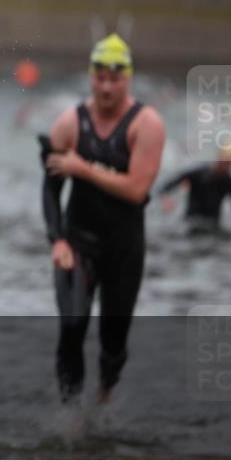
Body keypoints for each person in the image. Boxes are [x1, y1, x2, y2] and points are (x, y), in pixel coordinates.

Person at [40, 34, 165, 405]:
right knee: (72, 325)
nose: (107, 87)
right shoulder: (69, 124)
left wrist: (84, 168)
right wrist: (57, 240)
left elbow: (136, 190)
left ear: (127, 79)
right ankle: (71, 419)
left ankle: (104, 393)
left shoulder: (146, 124)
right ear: (91, 77)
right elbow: (50, 189)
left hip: (124, 249)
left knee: (113, 343)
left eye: (115, 79)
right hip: (78, 242)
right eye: (100, 78)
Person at [158, 142, 231, 233]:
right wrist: (166, 198)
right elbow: (169, 184)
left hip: (213, 225)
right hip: (191, 222)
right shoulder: (198, 174)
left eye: (230, 164)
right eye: (225, 162)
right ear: (218, 158)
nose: (227, 167)